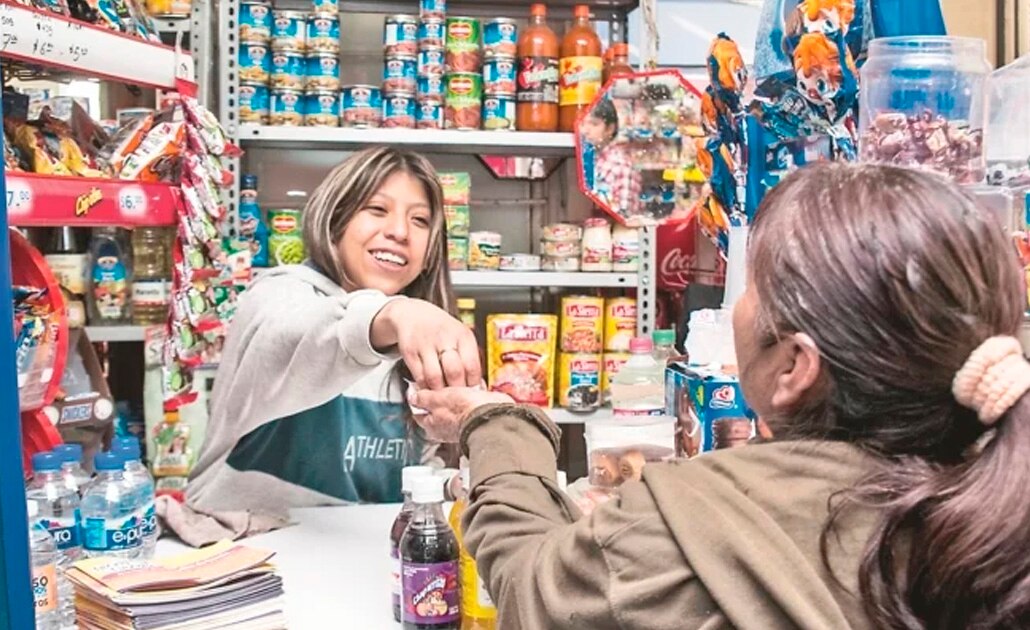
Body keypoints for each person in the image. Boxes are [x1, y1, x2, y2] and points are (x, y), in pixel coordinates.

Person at [414, 163, 1030, 629]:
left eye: (751, 286)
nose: (735, 308)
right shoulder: (998, 500)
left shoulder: (685, 524)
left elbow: (529, 587)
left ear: (793, 365)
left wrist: (493, 421)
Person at [168, 147, 479, 546]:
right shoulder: (279, 294)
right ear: (335, 220)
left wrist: (457, 484)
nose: (400, 231)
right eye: (377, 209)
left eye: (419, 220)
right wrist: (397, 313)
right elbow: (301, 335)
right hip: (241, 562)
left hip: (349, 565)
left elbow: (405, 475)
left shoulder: (409, 343)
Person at [580, 97, 641, 218]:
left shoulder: (620, 165)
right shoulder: (591, 158)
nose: (585, 130)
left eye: (594, 124)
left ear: (609, 129)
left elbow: (624, 217)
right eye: (582, 123)